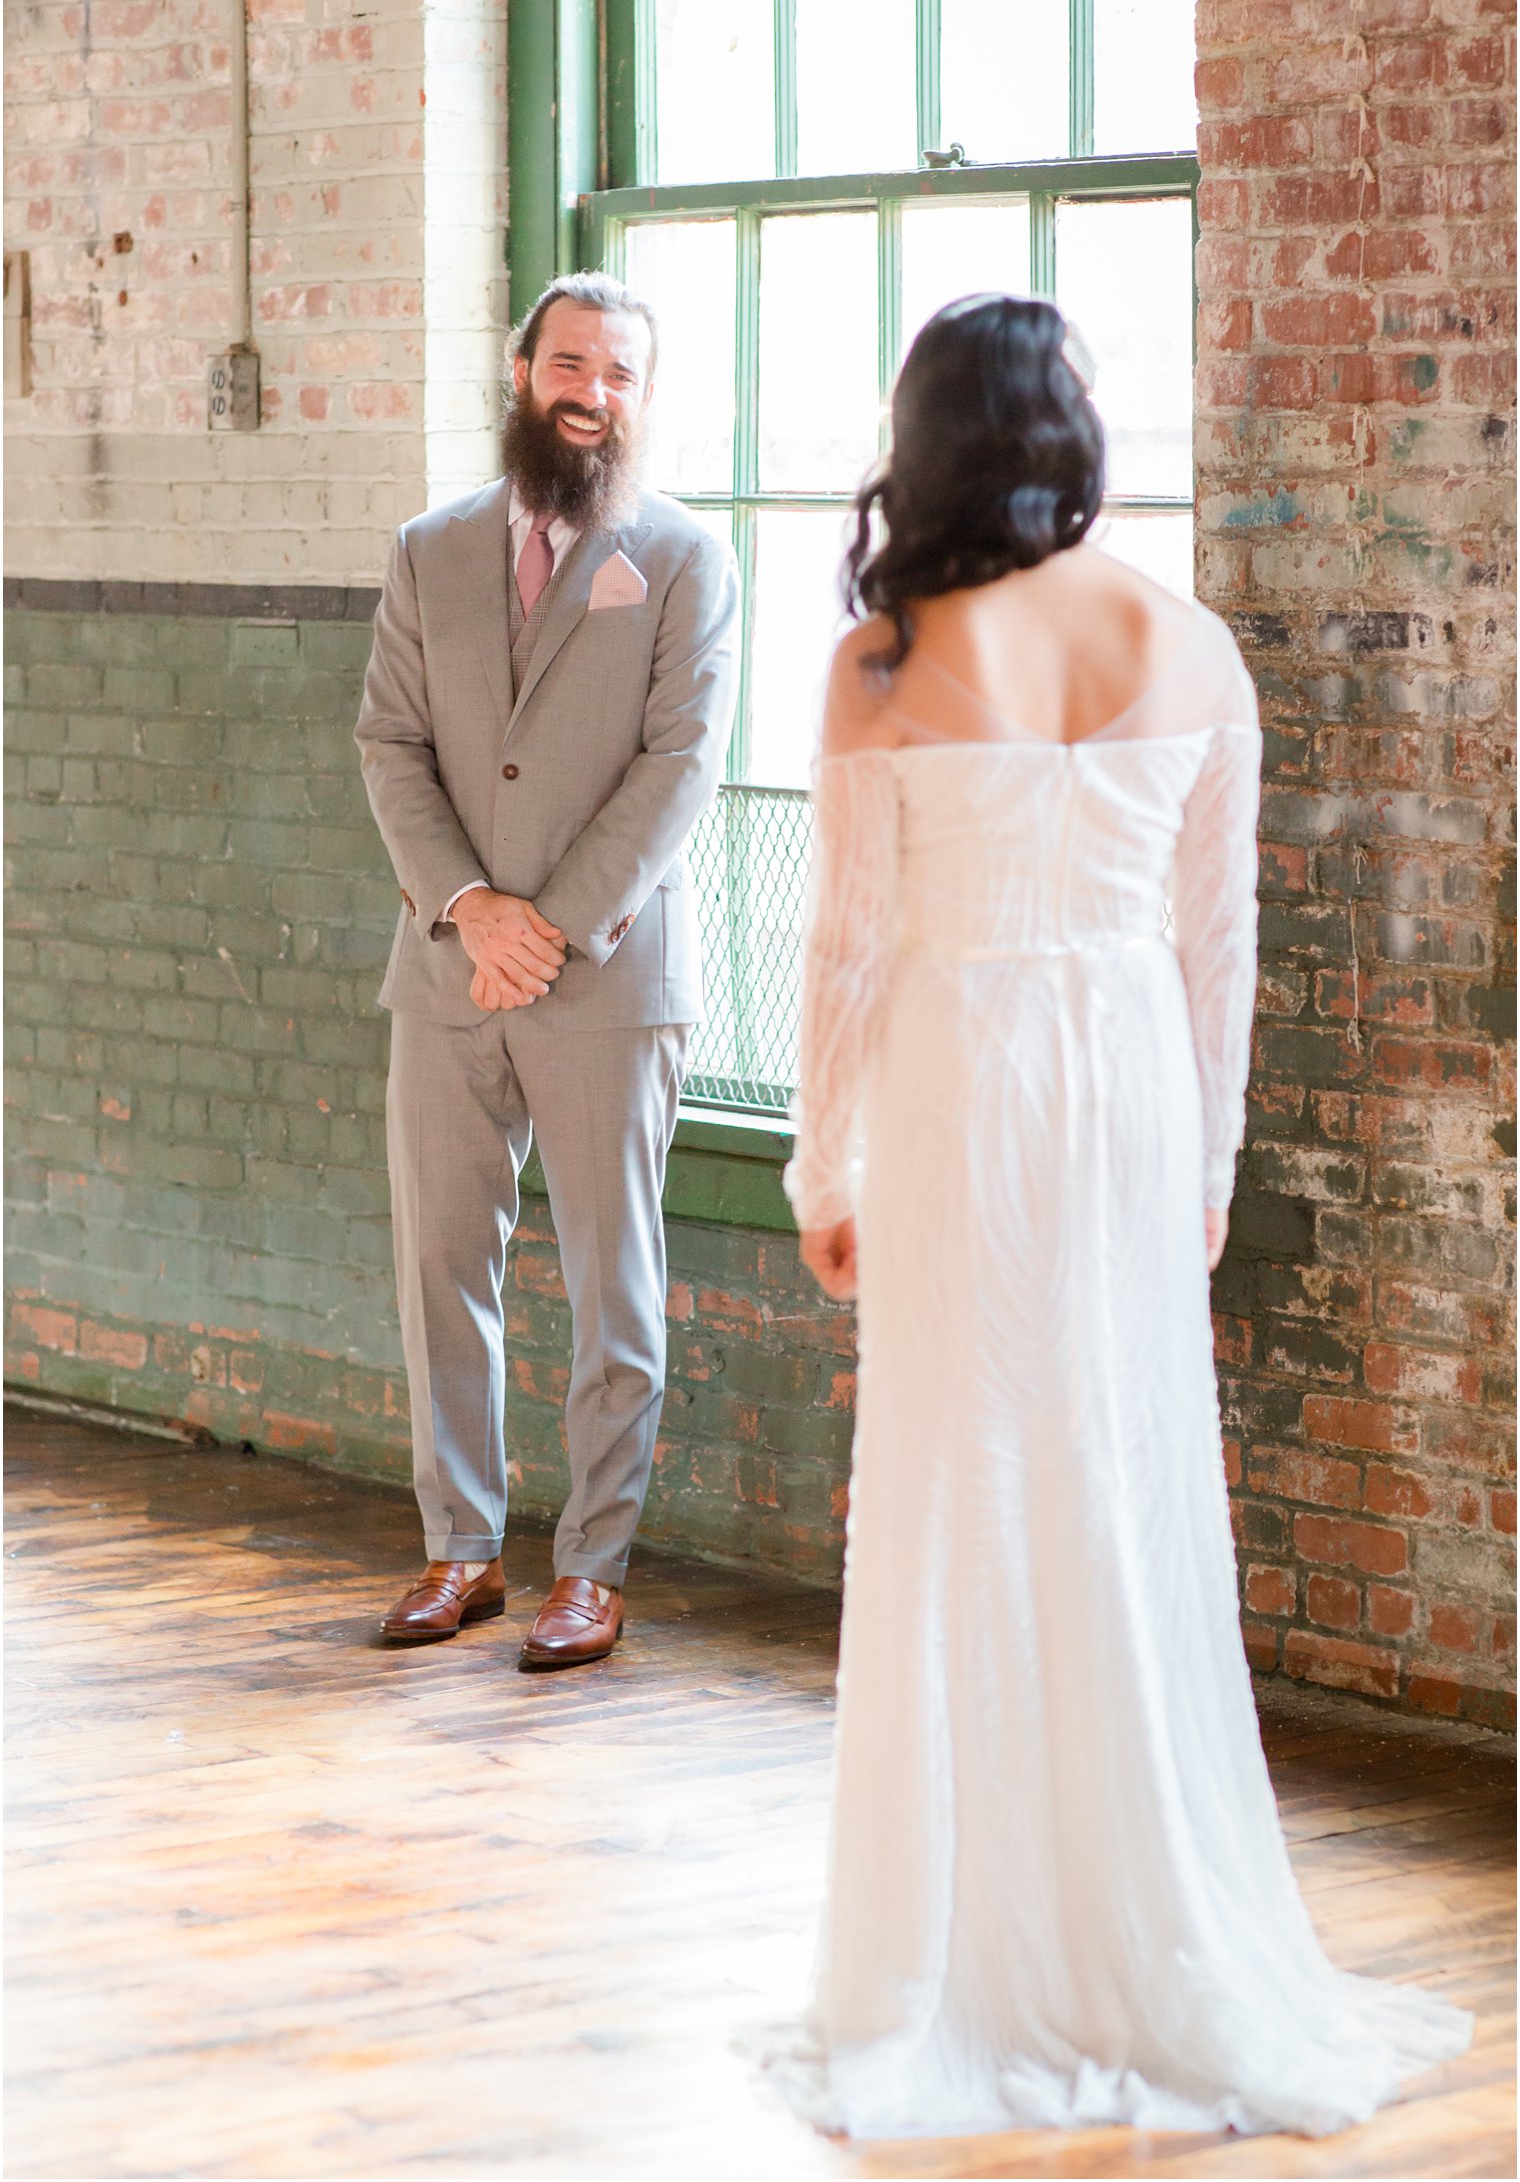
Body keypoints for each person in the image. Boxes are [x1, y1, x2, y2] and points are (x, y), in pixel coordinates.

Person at [770, 295, 1472, 2136]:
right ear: (1071, 439)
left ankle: (955, 1950)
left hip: (960, 1076)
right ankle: (1147, 1913)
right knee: (1122, 1480)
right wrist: (1214, 1162)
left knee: (954, 1481)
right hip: (1132, 1086)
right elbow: (1215, 949)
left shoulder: (883, 659)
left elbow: (846, 952)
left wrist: (818, 1168)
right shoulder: (1190, 641)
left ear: (924, 445)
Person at [356, 272, 739, 1669]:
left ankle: (595, 1563)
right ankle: (461, 1549)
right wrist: (469, 907)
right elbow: (389, 744)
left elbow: (682, 765)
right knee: (441, 1265)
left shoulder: (687, 559)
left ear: (641, 394)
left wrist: (551, 925)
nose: (592, 388)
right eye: (569, 359)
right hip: (447, 967)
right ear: (521, 370)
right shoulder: (428, 547)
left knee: (609, 1277)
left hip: (608, 975)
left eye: (620, 370)